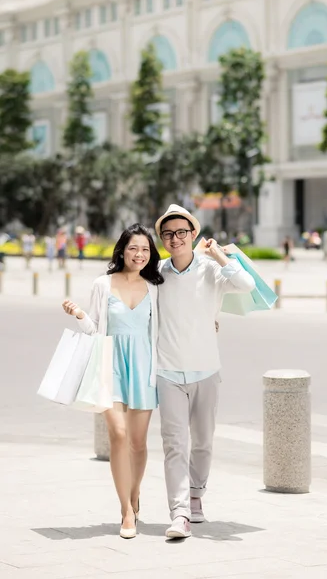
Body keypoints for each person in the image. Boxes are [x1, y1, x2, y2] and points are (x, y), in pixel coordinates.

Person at [155, 204, 256, 540]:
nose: (175, 238)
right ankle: (179, 512)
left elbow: (246, 285)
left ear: (194, 235)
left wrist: (218, 255)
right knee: (174, 444)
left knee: (202, 441)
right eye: (168, 234)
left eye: (181, 232)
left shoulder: (212, 271)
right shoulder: (156, 274)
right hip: (167, 372)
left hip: (206, 371)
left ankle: (197, 494)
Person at [62, 224, 163, 539]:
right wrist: (79, 314)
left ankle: (134, 493)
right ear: (122, 250)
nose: (139, 254)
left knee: (138, 443)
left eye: (145, 249)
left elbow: (165, 327)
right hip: (109, 366)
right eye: (134, 248)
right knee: (118, 436)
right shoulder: (102, 284)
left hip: (144, 368)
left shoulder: (155, 287)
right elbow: (95, 328)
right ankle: (126, 512)